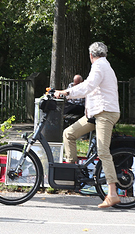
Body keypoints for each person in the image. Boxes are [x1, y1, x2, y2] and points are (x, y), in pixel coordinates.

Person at [53, 42, 121, 208]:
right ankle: (72, 174)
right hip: (96, 114)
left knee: (103, 151)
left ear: (91, 55)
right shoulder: (104, 66)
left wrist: (65, 93)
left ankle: (112, 194)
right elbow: (92, 90)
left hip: (105, 113)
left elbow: (88, 87)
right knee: (69, 133)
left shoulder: (100, 66)